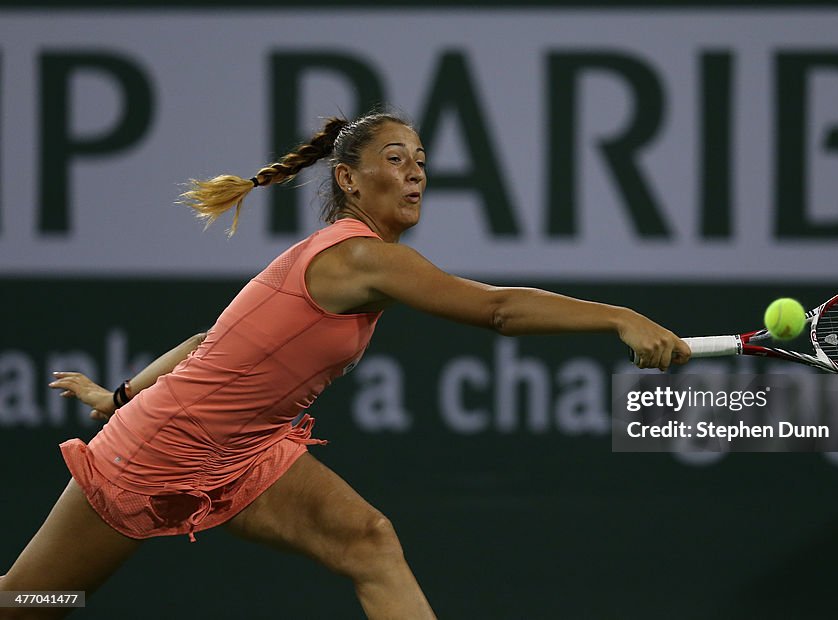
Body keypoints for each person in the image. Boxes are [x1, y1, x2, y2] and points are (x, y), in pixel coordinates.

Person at [0, 110, 690, 619]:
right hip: (157, 452)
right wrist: (618, 316)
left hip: (240, 452)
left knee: (369, 541)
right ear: (348, 179)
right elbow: (500, 310)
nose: (415, 170)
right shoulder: (359, 257)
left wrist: (120, 393)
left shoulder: (340, 257)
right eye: (395, 158)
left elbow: (211, 339)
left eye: (420, 158)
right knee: (35, 601)